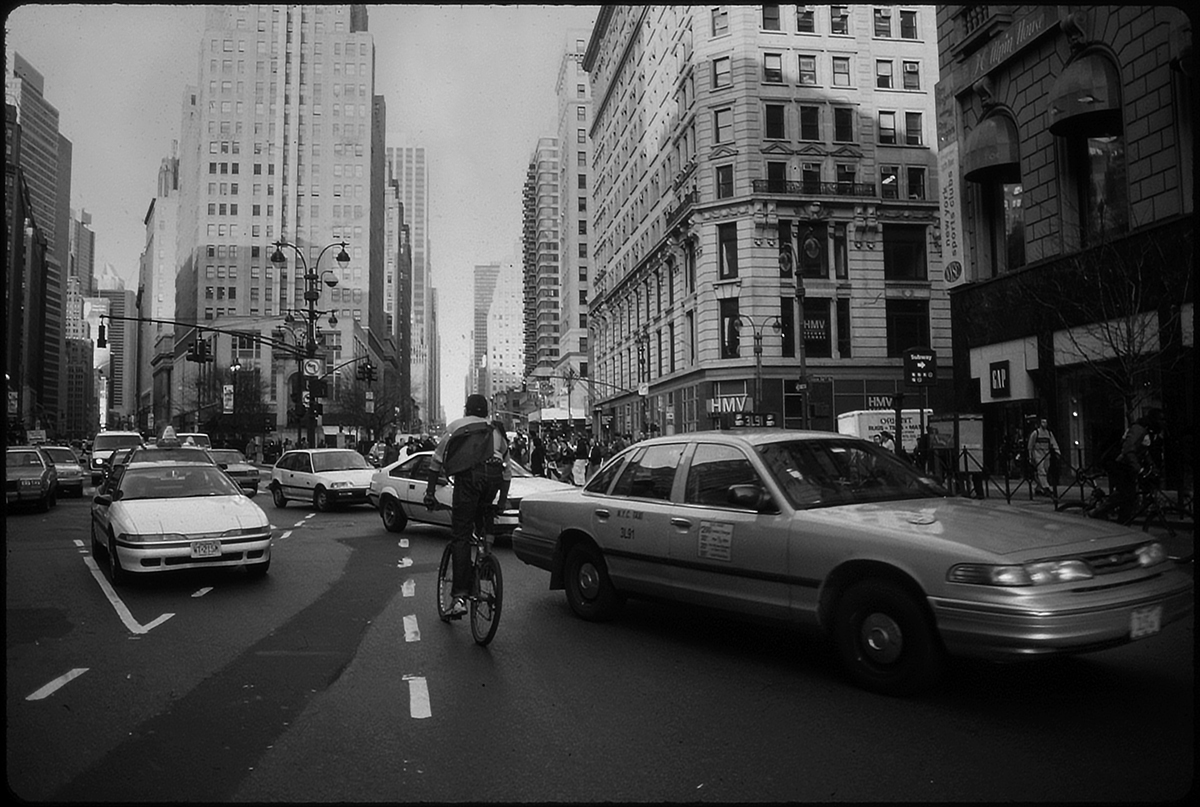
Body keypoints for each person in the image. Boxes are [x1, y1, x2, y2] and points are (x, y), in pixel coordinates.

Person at [424, 394, 508, 617]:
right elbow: (507, 470)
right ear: (486, 411)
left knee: (460, 535)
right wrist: (501, 501)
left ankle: (460, 596)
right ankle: (485, 559)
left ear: (466, 410)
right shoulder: (496, 428)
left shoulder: (456, 426)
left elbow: (436, 461)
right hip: (493, 481)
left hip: (468, 481)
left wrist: (430, 493)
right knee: (484, 516)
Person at [1091, 410, 1159, 523]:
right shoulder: (1138, 429)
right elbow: (1128, 451)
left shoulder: (1148, 432)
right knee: (1124, 492)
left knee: (1130, 499)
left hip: (1127, 466)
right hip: (1118, 464)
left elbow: (1144, 452)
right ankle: (1097, 511)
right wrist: (1140, 470)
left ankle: (1122, 524)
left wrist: (1152, 467)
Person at [1026, 417, 1060, 495]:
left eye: (1045, 422)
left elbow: (1054, 443)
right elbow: (1030, 445)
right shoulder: (1035, 433)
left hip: (1047, 454)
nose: (1044, 424)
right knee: (1041, 470)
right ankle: (1046, 487)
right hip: (1037, 454)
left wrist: (1057, 452)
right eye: (1043, 422)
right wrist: (1030, 456)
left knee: (1046, 469)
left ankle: (1038, 488)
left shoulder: (1049, 433)